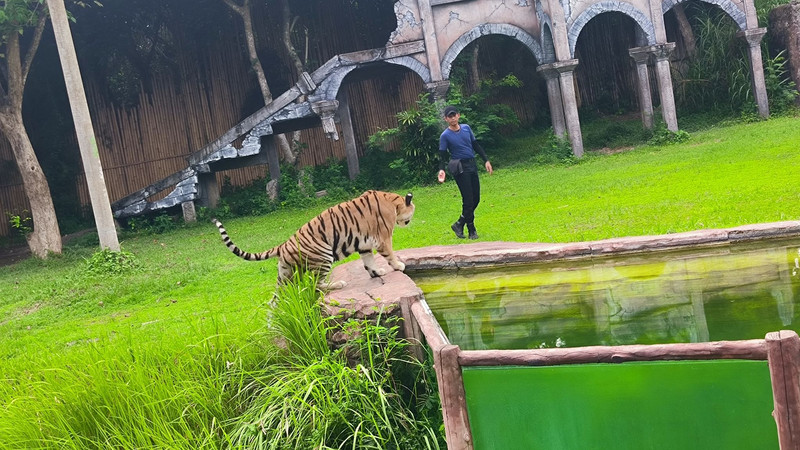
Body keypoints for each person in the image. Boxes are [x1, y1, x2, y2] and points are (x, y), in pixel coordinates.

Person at [437, 105, 493, 239]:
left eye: (454, 115)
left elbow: (475, 145)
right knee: (468, 200)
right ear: (446, 119)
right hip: (460, 167)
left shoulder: (466, 128)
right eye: (449, 116)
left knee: (476, 198)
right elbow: (442, 155)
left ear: (458, 115)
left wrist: (486, 160)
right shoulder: (445, 136)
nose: (453, 118)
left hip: (472, 164)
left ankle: (459, 223)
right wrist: (441, 169)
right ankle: (471, 229)